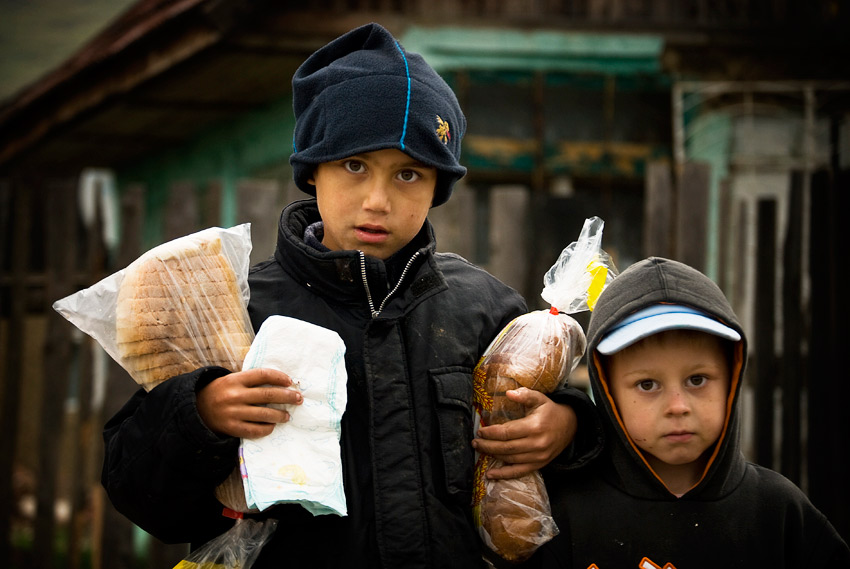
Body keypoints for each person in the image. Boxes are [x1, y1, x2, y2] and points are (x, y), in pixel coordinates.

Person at [101, 23, 602, 569]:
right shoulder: (240, 311)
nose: (378, 200)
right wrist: (201, 415)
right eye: (355, 165)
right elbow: (147, 501)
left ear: (440, 185)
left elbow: (556, 471)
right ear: (313, 170)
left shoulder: (483, 308)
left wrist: (569, 428)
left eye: (408, 174)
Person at [524, 256, 850, 568]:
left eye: (697, 380)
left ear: (732, 379)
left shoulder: (779, 512)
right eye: (648, 384)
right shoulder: (565, 515)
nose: (677, 407)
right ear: (608, 392)